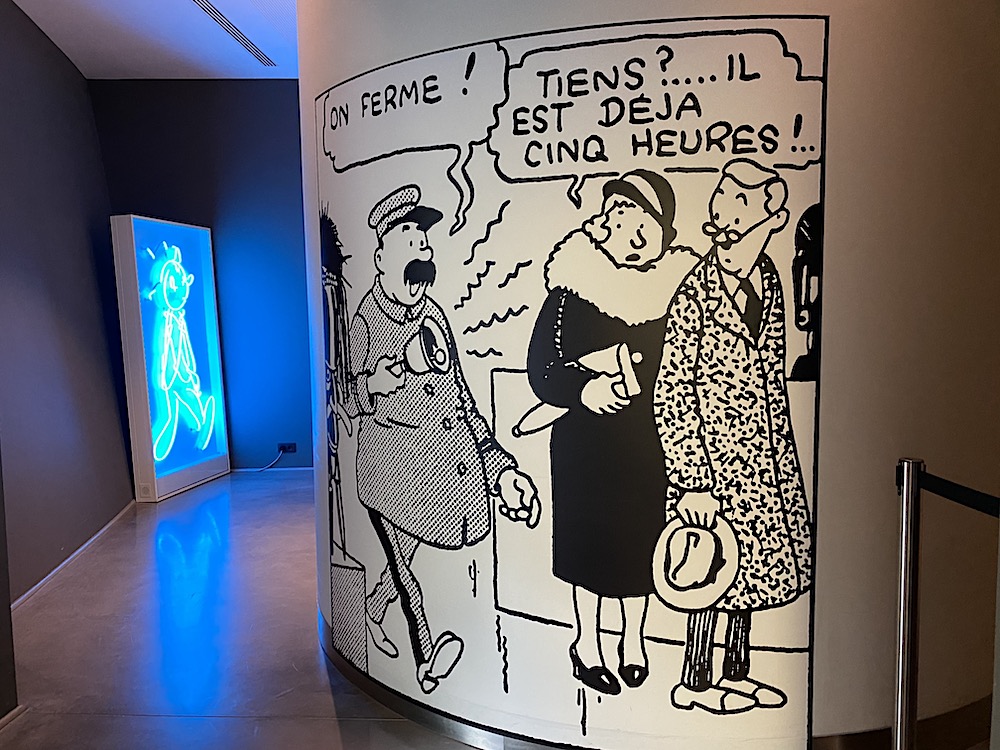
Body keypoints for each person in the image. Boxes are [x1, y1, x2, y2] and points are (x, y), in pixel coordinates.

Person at [344, 184, 538, 694]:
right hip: (388, 475)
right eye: (408, 239)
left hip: (432, 479)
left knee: (403, 561)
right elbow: (351, 394)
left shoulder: (433, 316)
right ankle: (426, 659)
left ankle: (372, 609)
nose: (422, 248)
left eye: (424, 241)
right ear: (382, 258)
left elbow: (462, 401)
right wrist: (381, 378)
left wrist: (501, 471)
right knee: (406, 574)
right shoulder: (365, 319)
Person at [526, 170, 696, 695]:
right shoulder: (570, 291)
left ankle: (633, 642)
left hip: (650, 442)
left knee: (641, 540)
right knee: (588, 543)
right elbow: (541, 370)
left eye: (647, 223)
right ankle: (587, 643)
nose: (634, 232)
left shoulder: (679, 294)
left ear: (664, 235)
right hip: (584, 446)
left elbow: (690, 363)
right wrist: (583, 389)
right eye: (623, 217)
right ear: (604, 223)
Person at [653, 159, 813, 714]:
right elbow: (672, 392)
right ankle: (695, 682)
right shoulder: (694, 295)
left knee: (747, 577)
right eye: (724, 202)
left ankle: (734, 673)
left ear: (771, 220)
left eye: (742, 205)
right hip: (711, 467)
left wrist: (782, 460)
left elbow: (773, 373)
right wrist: (691, 481)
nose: (728, 217)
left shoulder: (769, 280)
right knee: (707, 572)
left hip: (763, 461)